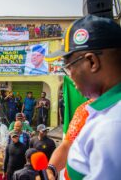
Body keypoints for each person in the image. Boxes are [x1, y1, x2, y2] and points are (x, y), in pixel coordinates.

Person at [45, 14, 121, 179]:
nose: (70, 76)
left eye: (69, 67)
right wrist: (50, 169)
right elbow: (67, 144)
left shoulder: (111, 126)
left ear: (92, 62)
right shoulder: (98, 111)